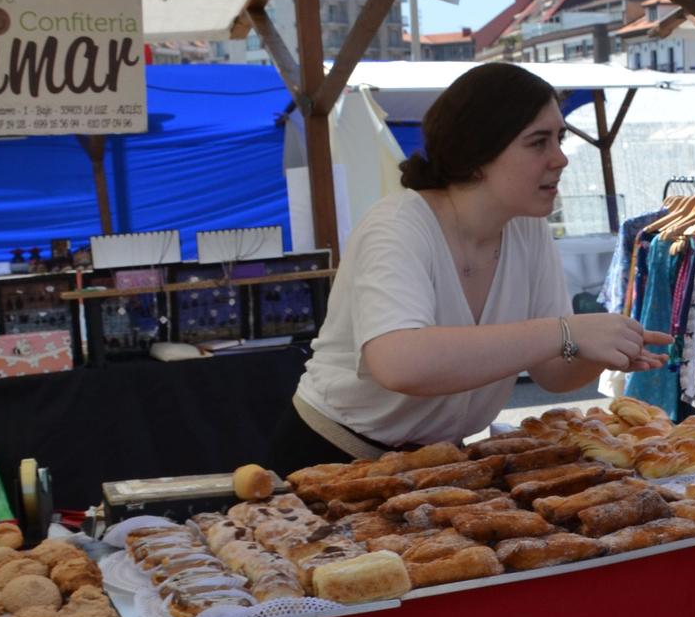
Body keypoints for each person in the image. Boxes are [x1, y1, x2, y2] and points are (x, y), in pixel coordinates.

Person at [275, 63, 668, 471]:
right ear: (478, 154)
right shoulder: (397, 227)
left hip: (439, 464)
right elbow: (399, 363)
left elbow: (553, 372)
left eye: (559, 138)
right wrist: (565, 331)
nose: (561, 159)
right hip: (331, 458)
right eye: (538, 142)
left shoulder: (528, 230)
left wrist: (603, 347)